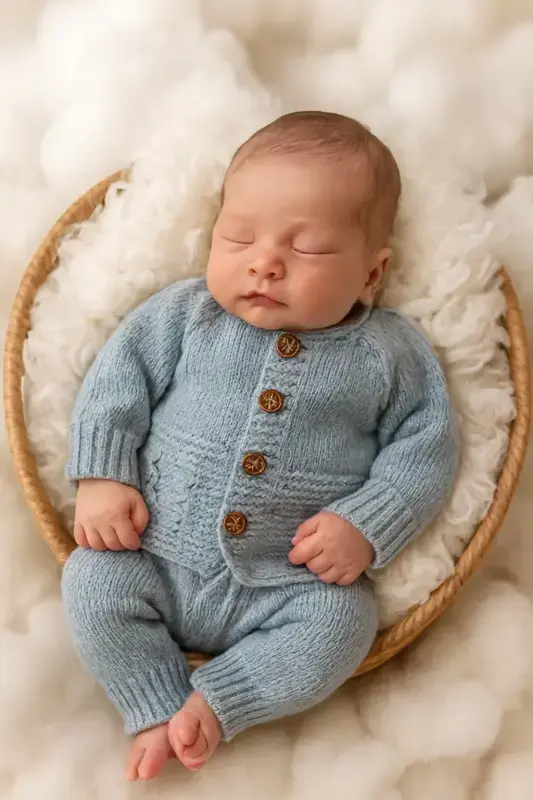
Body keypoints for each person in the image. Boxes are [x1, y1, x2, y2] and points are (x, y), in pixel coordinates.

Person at [61, 111, 459, 781]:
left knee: (343, 625)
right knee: (91, 580)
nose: (264, 263)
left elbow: (426, 446)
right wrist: (104, 477)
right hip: (150, 554)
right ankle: (154, 704)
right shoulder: (184, 315)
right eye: (238, 237)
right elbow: (117, 383)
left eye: (308, 249)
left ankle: (221, 703)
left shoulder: (388, 354)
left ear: (371, 274)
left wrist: (365, 526)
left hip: (287, 584)